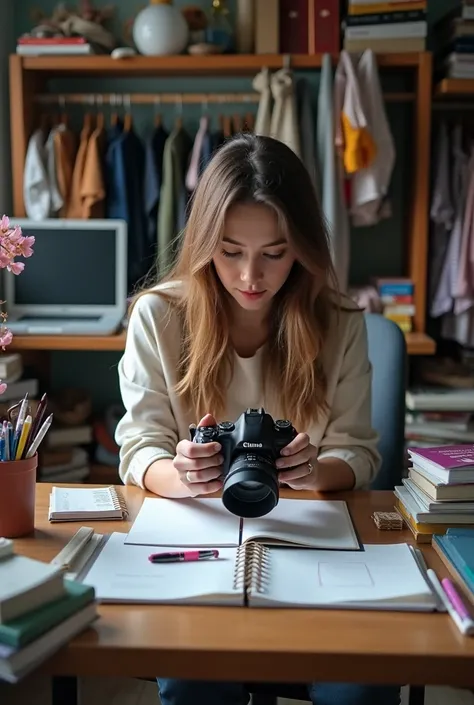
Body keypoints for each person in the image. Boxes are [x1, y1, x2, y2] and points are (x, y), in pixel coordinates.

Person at [115, 133, 400, 705]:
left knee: (359, 687)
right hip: (199, 545)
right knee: (195, 677)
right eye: (229, 251)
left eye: (274, 253)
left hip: (317, 551)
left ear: (302, 247)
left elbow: (360, 453)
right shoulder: (158, 316)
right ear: (202, 245)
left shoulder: (339, 320)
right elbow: (139, 446)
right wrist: (180, 472)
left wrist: (315, 471)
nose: (251, 276)